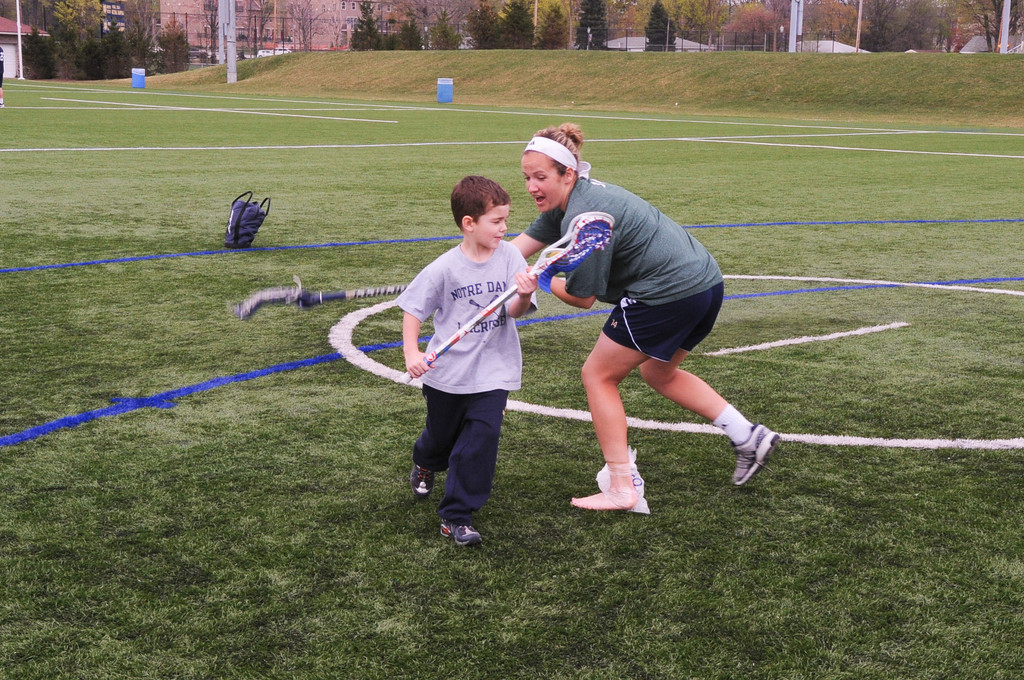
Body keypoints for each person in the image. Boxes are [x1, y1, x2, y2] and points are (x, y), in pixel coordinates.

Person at [512, 123, 780, 512]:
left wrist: (543, 278)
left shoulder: (585, 215)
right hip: (706, 284)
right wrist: (455, 273)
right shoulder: (567, 203)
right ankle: (748, 436)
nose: (532, 187)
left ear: (568, 173)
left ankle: (622, 486)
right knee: (659, 372)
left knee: (598, 375)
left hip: (667, 294)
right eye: (526, 178)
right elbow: (512, 252)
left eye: (540, 177)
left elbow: (582, 297)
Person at [398, 175, 538, 545]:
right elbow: (413, 310)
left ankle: (457, 515)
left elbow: (515, 310)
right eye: (497, 221)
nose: (505, 228)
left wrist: (523, 295)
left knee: (482, 438)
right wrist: (412, 352)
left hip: (494, 371)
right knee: (440, 438)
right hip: (447, 374)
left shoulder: (510, 256)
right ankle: (426, 462)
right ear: (469, 223)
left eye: (507, 220)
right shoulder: (444, 268)